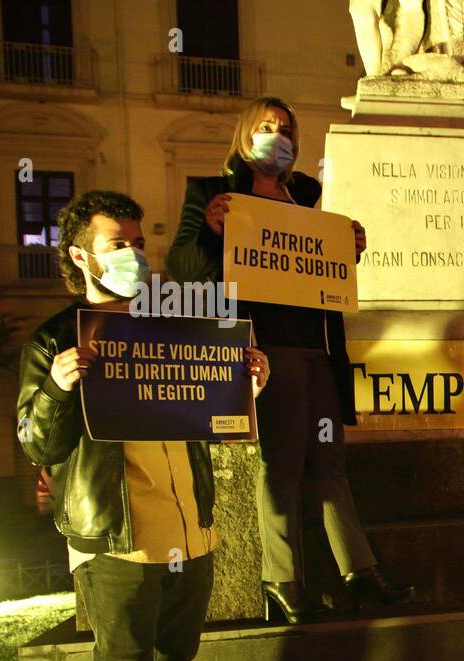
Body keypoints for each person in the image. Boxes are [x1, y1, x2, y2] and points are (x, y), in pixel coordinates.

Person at [17, 190, 269, 661]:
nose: (133, 254)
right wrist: (57, 389)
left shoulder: (174, 326)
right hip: (117, 538)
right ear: (79, 255)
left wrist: (246, 381)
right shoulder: (56, 339)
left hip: (190, 526)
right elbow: (37, 444)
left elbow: (211, 417)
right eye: (116, 243)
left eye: (137, 241)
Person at [167, 96, 413, 623]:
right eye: (266, 127)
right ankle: (282, 580)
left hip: (318, 349)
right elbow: (184, 268)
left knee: (330, 463)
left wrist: (349, 248)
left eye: (285, 129)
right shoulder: (213, 193)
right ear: (244, 134)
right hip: (263, 351)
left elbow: (317, 264)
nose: (277, 136)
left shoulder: (307, 194)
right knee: (280, 465)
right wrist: (211, 230)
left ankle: (360, 573)